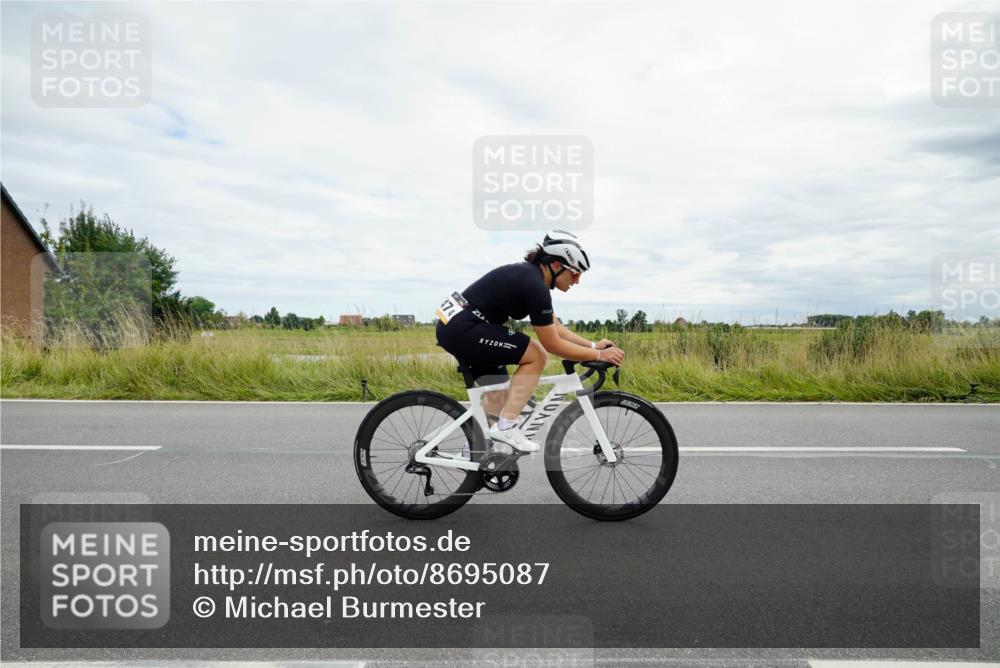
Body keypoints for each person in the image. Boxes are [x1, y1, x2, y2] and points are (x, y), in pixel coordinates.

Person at [435, 230, 625, 453]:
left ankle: (476, 453)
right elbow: (552, 345)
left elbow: (554, 326)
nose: (577, 280)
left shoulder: (531, 278)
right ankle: (506, 428)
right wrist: (600, 356)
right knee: (536, 355)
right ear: (555, 265)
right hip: (463, 328)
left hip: (461, 326)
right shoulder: (534, 285)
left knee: (503, 395)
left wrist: (592, 346)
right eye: (574, 273)